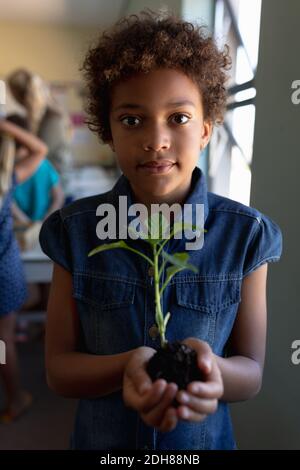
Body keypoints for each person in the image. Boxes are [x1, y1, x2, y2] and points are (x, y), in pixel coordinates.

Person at [39, 10, 282, 450]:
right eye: (132, 120)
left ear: (207, 128)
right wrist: (130, 364)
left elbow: (251, 374)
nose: (156, 140)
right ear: (108, 132)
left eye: (179, 118)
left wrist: (211, 370)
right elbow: (59, 369)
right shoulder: (74, 233)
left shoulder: (246, 237)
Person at [0, 117, 48, 422]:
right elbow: (39, 149)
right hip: (4, 271)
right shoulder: (6, 178)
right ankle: (16, 398)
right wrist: (4, 124)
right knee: (3, 341)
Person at [7, 69, 72, 176]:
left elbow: (40, 154)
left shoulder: (52, 117)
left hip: (55, 180)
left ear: (17, 96)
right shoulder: (36, 117)